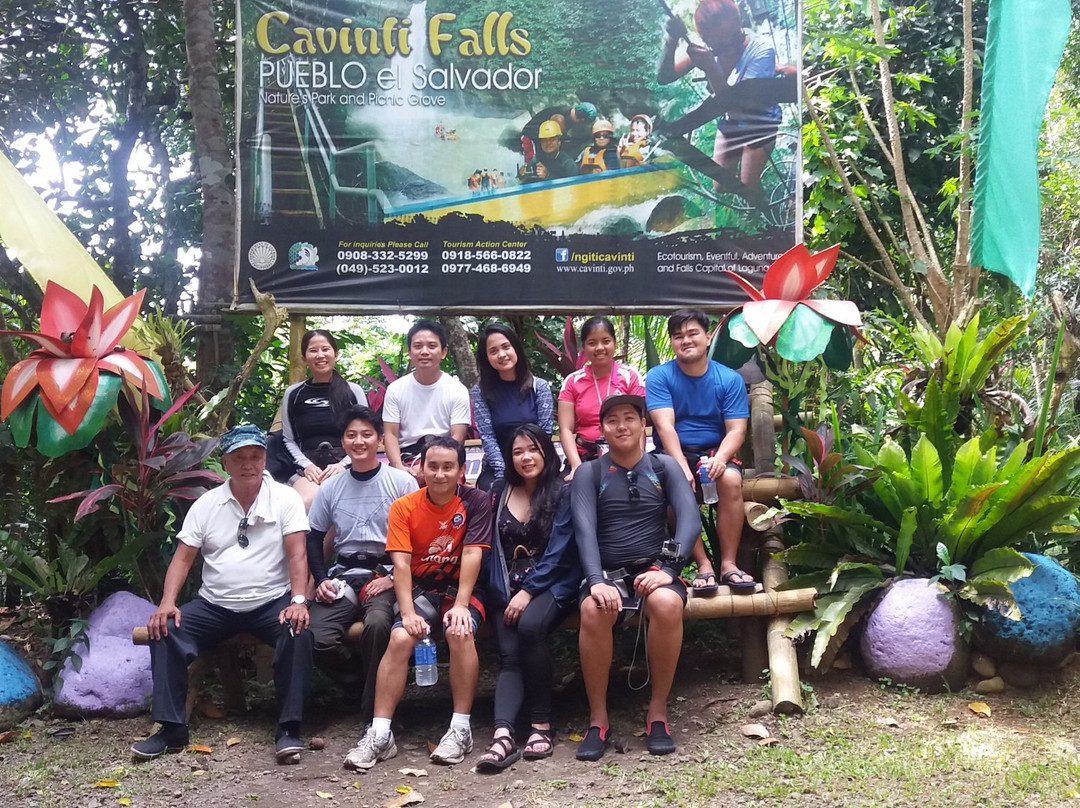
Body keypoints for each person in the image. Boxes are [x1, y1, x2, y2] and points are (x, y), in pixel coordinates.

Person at [132, 425, 313, 763]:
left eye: (256, 456)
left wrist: (298, 600)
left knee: (297, 630)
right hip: (215, 604)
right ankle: (172, 729)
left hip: (270, 601)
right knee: (165, 629)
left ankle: (289, 727)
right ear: (225, 463)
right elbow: (183, 558)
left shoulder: (285, 498)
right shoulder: (207, 504)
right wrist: (167, 603)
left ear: (265, 459)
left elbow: (297, 554)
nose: (249, 464)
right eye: (239, 457)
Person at [343, 437, 492, 770]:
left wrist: (461, 606)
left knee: (459, 630)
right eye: (433, 466)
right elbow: (401, 565)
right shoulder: (404, 506)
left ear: (462, 471)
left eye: (448, 467)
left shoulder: (476, 501)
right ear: (421, 468)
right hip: (422, 587)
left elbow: (471, 554)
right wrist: (407, 614)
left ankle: (460, 728)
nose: (439, 475)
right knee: (398, 637)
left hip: (462, 588)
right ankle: (380, 734)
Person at [571, 395, 700, 761]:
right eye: (612, 420)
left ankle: (657, 712)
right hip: (607, 573)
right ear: (603, 429)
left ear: (643, 424)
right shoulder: (589, 473)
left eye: (630, 417)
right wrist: (595, 579)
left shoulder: (664, 467)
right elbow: (584, 530)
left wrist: (667, 570)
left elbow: (689, 521)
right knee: (594, 610)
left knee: (666, 603)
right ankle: (598, 719)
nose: (622, 425)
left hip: (656, 569)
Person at [476, 425, 581, 772]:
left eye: (533, 449)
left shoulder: (562, 491)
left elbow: (560, 550)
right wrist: (500, 592)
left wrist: (528, 591)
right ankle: (503, 734)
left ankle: (541, 725)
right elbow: (488, 548)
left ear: (546, 453)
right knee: (508, 654)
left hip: (553, 583)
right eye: (518, 451)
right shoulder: (496, 490)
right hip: (505, 586)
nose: (526, 457)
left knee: (531, 627)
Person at [306, 405, 418, 724]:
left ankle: (374, 716)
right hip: (344, 575)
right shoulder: (330, 487)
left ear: (380, 440)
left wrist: (396, 576)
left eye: (367, 434)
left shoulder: (401, 482)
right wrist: (321, 578)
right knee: (316, 635)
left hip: (385, 573)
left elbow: (417, 538)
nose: (359, 441)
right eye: (351, 435)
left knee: (378, 625)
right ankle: (358, 684)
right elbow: (314, 538)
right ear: (343, 442)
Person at [646, 309, 753, 591]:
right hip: (672, 454)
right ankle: (703, 565)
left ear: (708, 337)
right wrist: (680, 464)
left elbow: (736, 430)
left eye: (693, 333)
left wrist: (720, 458)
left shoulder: (729, 379)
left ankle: (728, 564)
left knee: (730, 479)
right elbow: (665, 427)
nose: (686, 340)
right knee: (674, 484)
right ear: (671, 342)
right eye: (678, 336)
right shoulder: (659, 376)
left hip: (714, 453)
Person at [657, 0, 782, 207]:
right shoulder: (706, 46)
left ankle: (763, 205)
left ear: (738, 23)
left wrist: (711, 69)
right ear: (707, 39)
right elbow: (664, 77)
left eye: (730, 41)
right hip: (731, 123)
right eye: (717, 46)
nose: (725, 49)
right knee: (721, 185)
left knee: (748, 185)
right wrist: (671, 40)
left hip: (759, 122)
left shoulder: (762, 51)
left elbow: (738, 108)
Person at [280, 329, 368, 510]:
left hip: (348, 464)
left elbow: (367, 434)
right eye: (313, 350)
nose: (320, 355)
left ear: (335, 354)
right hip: (309, 468)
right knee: (307, 502)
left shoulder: (353, 392)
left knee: (345, 503)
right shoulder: (294, 394)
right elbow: (288, 438)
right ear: (304, 357)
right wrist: (307, 466)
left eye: (325, 349)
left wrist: (343, 465)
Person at [558, 316, 646, 479]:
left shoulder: (630, 377)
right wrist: (576, 466)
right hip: (584, 458)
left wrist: (638, 463)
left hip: (625, 457)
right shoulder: (572, 381)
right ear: (583, 347)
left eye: (606, 341)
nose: (600, 348)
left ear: (614, 343)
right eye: (592, 343)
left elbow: (637, 423)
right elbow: (565, 429)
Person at [382, 319, 471, 479]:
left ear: (443, 352)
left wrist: (429, 467)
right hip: (406, 460)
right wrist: (398, 466)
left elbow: (457, 437)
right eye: (418, 346)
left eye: (431, 346)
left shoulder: (457, 390)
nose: (424, 351)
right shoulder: (395, 389)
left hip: (444, 459)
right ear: (409, 352)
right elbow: (390, 434)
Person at [470, 323, 555, 491]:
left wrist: (530, 469)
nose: (501, 355)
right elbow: (487, 437)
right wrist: (505, 475)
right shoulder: (480, 392)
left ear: (515, 348)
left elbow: (545, 434)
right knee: (492, 492)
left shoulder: (540, 387)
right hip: (498, 469)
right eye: (493, 351)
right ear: (486, 357)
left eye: (506, 347)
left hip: (536, 465)